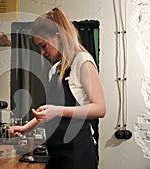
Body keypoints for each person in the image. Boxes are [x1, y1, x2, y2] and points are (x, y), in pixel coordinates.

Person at [9, 7, 106, 169]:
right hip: (56, 153)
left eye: (44, 45)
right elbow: (49, 111)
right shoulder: (55, 70)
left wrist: (58, 111)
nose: (42, 52)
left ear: (58, 37)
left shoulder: (82, 62)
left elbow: (100, 108)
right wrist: (25, 128)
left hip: (77, 154)